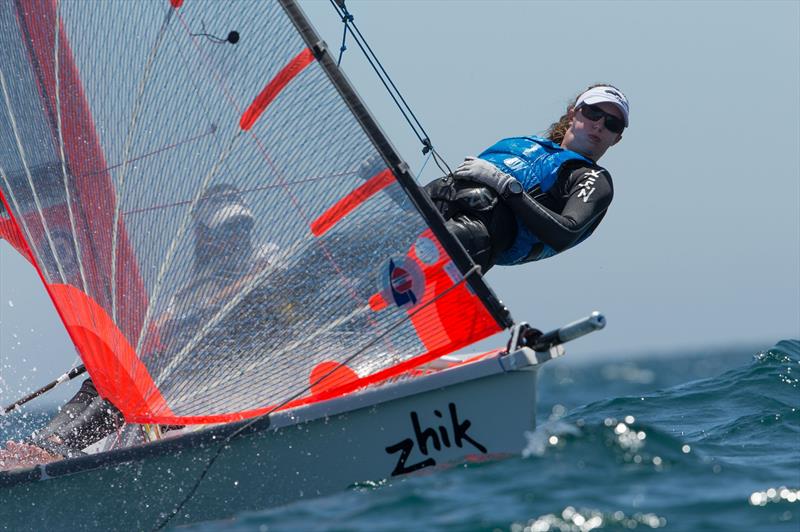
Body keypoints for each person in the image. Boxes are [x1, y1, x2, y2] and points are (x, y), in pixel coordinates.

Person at [0, 184, 277, 469]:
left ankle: (55, 445)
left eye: (242, 227)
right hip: (187, 382)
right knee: (110, 373)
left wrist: (186, 320)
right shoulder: (189, 292)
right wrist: (140, 339)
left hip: (245, 374)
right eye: (227, 230)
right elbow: (163, 328)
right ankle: (48, 443)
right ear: (204, 236)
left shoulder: (266, 259)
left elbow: (259, 285)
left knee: (138, 377)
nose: (237, 237)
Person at [425, 84, 629, 271]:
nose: (599, 125)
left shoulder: (593, 178)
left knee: (452, 238)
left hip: (475, 233)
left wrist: (506, 186)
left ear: (616, 139)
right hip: (438, 199)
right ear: (573, 114)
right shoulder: (524, 143)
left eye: (612, 123)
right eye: (593, 112)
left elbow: (565, 232)